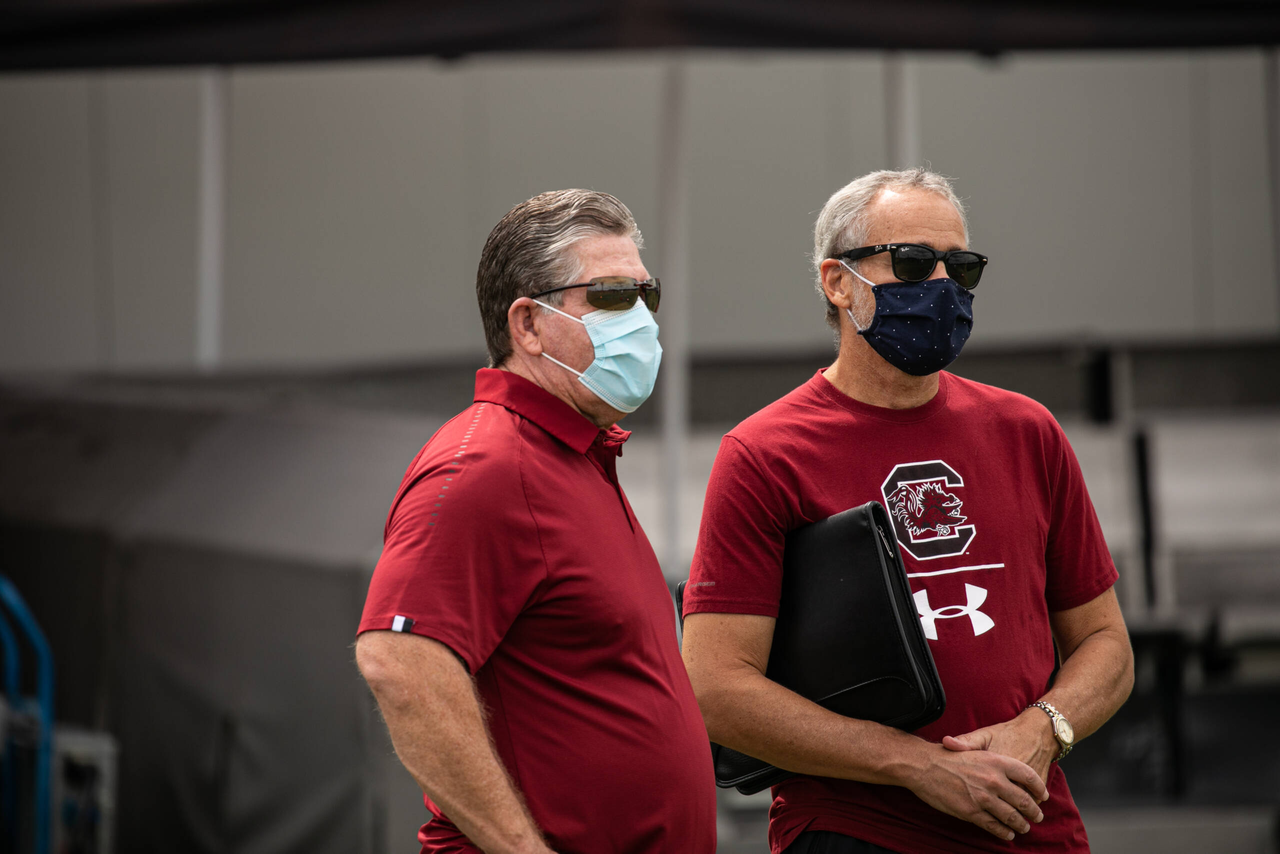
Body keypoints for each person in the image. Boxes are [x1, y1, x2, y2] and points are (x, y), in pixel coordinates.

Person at [680, 168, 1134, 854]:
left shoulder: (1026, 431)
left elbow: (1106, 645)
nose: (944, 287)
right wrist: (918, 767)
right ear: (838, 282)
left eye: (963, 267)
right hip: (853, 832)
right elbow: (715, 687)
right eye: (916, 262)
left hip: (1027, 823)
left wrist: (1043, 728)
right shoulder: (764, 453)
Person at [356, 189, 716, 854]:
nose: (638, 319)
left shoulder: (575, 456)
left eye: (645, 295)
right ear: (527, 325)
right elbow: (398, 660)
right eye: (609, 296)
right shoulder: (488, 466)